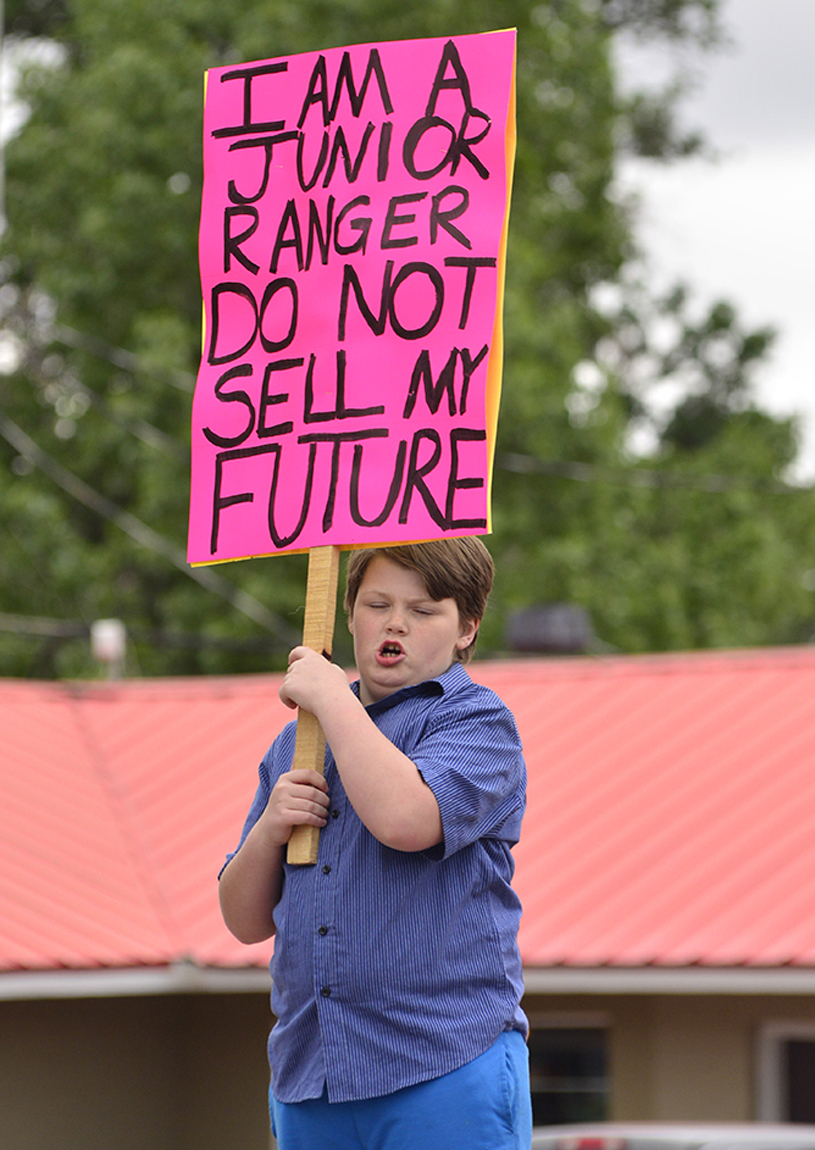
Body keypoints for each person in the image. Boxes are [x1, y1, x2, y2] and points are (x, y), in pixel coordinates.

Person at [218, 537, 531, 1150]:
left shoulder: (477, 721)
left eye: (423, 610)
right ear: (349, 614)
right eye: (376, 604)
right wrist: (269, 830)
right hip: (313, 1075)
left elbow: (405, 819)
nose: (396, 624)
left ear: (466, 627)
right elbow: (243, 920)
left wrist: (333, 696)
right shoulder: (295, 745)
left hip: (441, 1061)